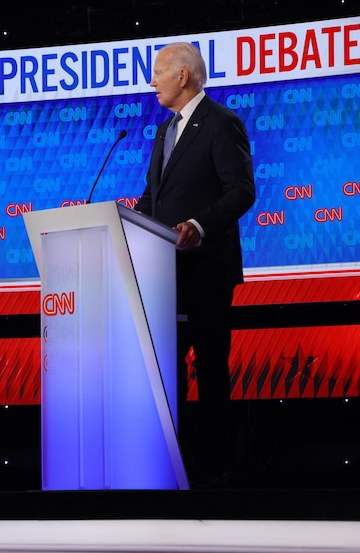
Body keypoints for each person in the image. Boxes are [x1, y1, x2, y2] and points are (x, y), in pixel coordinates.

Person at [133, 42, 256, 487]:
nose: (153, 81)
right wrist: (129, 222)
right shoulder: (165, 131)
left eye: (159, 72)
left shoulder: (223, 124)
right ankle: (176, 465)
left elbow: (241, 191)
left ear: (182, 76)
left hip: (206, 270)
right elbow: (153, 197)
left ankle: (216, 469)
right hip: (165, 275)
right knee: (168, 372)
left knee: (209, 368)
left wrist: (199, 226)